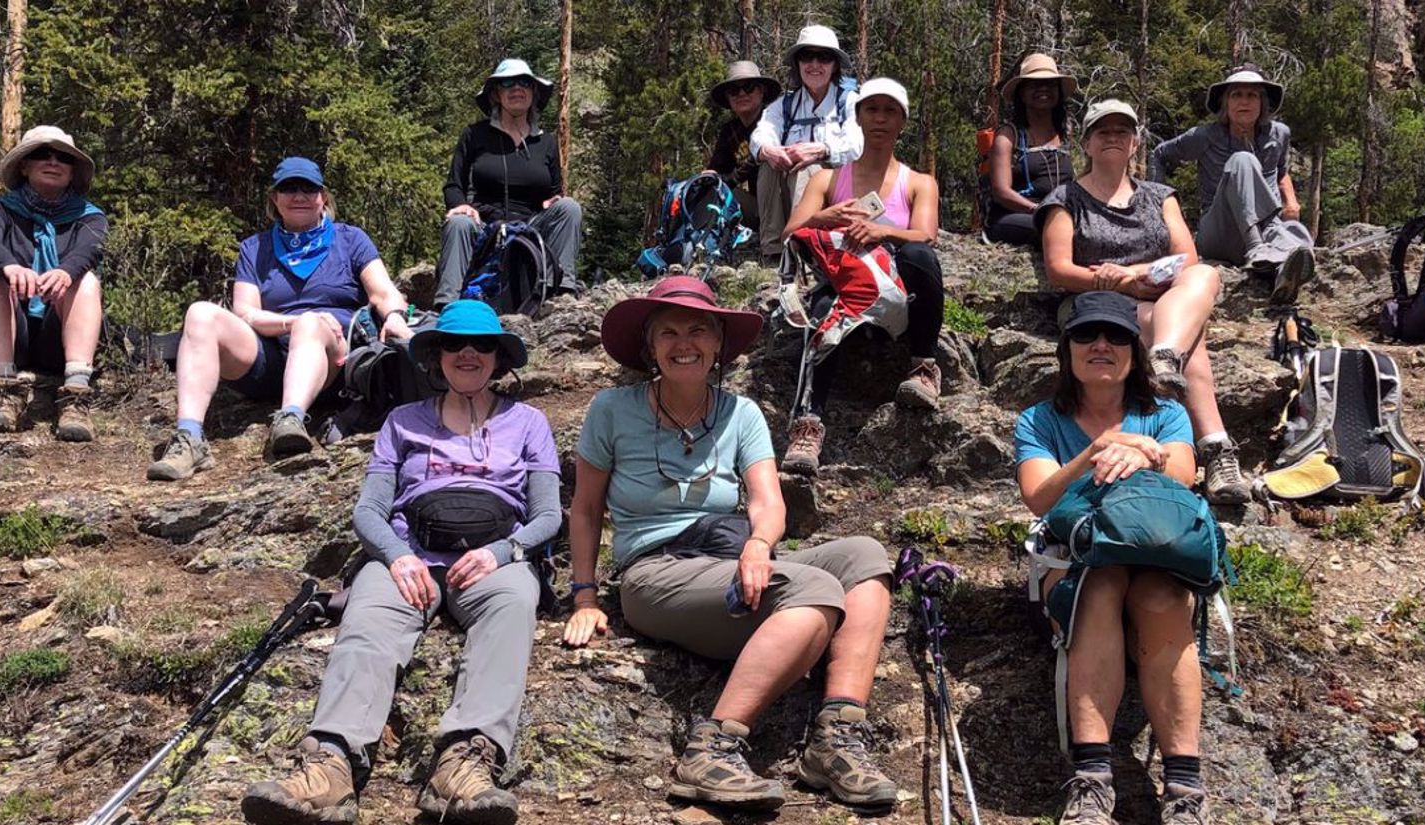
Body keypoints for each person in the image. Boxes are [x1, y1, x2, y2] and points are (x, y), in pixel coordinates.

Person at [560, 276, 900, 811]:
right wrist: (585, 596)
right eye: (667, 332)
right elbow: (585, 508)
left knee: (864, 556)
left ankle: (836, 735)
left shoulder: (740, 413)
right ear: (649, 347)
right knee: (814, 593)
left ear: (719, 343)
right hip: (655, 571)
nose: (683, 343)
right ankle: (713, 746)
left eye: (698, 330)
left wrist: (760, 543)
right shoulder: (611, 409)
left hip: (728, 555)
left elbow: (768, 500)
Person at [242, 301, 559, 825]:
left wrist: (500, 553)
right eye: (454, 344)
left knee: (513, 609)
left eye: (482, 345)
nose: (468, 354)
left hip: (493, 557)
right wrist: (396, 556)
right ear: (436, 356)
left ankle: (465, 764)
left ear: (499, 356)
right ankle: (330, 765)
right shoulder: (402, 422)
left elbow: (548, 514)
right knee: (367, 623)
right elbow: (369, 510)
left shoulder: (529, 422)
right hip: (413, 552)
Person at [1013, 290, 1212, 825]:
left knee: (1162, 593)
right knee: (1100, 587)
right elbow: (1038, 496)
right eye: (1086, 334)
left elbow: (1184, 474)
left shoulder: (1167, 414)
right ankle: (1093, 778)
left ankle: (1184, 787)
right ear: (1067, 349)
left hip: (1153, 561)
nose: (1100, 345)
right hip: (1077, 563)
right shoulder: (1037, 420)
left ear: (1135, 351)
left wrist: (1145, 450)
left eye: (1116, 336)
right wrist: (1099, 450)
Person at [147, 157, 413, 480]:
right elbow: (244, 312)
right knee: (200, 314)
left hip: (330, 360)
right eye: (288, 188)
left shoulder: (350, 239)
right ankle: (189, 438)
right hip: (269, 358)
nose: (299, 195)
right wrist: (291, 322)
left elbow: (382, 291)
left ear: (323, 197)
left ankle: (291, 419)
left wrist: (395, 316)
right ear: (274, 198)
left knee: (312, 324)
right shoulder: (254, 248)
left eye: (308, 188)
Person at [1038, 99, 1250, 504]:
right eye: (1103, 131)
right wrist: (1119, 287)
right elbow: (1059, 268)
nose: (1113, 137)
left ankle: (1165, 354)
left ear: (1135, 143)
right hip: (1096, 303)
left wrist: (1133, 275)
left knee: (1204, 274)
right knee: (1195, 340)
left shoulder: (1159, 195)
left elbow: (1187, 257)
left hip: (1157, 298)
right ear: (1087, 143)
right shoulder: (1065, 199)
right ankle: (1217, 450)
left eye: (1123, 131)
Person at [779, 78, 944, 474]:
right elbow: (790, 233)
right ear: (857, 116)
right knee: (820, 306)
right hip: (844, 285)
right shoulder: (828, 179)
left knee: (921, 257)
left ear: (902, 121)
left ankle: (923, 365)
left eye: (890, 111)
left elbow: (924, 235)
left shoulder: (919, 182)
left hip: (898, 289)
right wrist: (824, 217)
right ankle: (809, 424)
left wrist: (882, 231)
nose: (880, 119)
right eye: (872, 110)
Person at [0, 125, 108, 441]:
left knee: (86, 281)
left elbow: (90, 250)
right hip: (10, 328)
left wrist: (66, 272)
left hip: (56, 335)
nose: (53, 161)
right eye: (41, 154)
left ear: (72, 171)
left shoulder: (90, 216)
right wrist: (10, 267)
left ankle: (76, 395)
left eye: (63, 157)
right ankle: (3, 389)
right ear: (24, 166)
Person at [1149, 64, 1314, 304]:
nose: (1244, 102)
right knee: (1242, 160)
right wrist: (1161, 210)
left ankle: (1281, 275)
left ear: (1262, 103)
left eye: (1252, 95)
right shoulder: (1204, 136)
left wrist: (1291, 201)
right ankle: (1259, 248)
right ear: (1226, 103)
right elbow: (1160, 154)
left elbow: (1281, 171)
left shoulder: (1279, 134)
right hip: (1219, 232)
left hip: (1267, 226)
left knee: (1296, 233)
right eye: (1237, 95)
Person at [435, 58, 583, 308]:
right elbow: (454, 184)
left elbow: (555, 191)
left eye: (525, 82)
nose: (517, 88)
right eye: (508, 83)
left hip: (532, 225)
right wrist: (460, 205)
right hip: (484, 223)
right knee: (459, 223)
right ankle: (447, 306)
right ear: (496, 94)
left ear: (533, 92)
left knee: (569, 208)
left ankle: (561, 294)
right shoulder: (475, 135)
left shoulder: (546, 142)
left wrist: (554, 200)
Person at [750, 25, 863, 260]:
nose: (814, 65)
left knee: (808, 168)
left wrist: (822, 150)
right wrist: (769, 150)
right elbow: (762, 132)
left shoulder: (849, 102)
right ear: (797, 64)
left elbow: (857, 146)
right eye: (806, 56)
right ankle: (772, 249)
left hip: (837, 193)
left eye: (823, 57)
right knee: (768, 165)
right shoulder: (784, 105)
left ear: (834, 65)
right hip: (790, 192)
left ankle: (803, 243)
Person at [986, 53, 1077, 247]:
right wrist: (1039, 210)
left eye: (1050, 84)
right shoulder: (1008, 136)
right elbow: (1001, 192)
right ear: (1022, 93)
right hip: (1014, 216)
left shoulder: (1065, 134)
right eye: (1034, 84)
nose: (1043, 89)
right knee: (1061, 231)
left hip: (1059, 214)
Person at [704, 61, 783, 237]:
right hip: (758, 208)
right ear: (728, 97)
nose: (741, 94)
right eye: (734, 90)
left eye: (748, 87)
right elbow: (715, 170)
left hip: (784, 205)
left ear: (761, 91)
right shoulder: (730, 131)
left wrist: (730, 179)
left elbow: (758, 161)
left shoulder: (774, 121)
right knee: (709, 190)